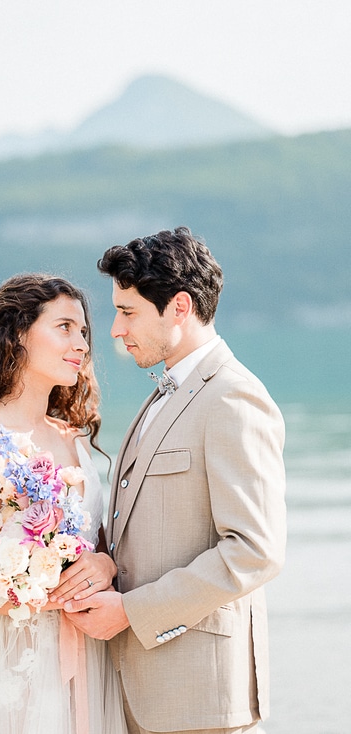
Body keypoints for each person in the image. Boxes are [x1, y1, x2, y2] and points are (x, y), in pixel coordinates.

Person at [62, 228, 286, 734]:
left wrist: (131, 611)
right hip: (140, 688)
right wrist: (103, 561)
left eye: (129, 312)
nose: (116, 330)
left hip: (199, 696)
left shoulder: (233, 398)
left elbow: (255, 550)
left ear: (179, 307)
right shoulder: (166, 390)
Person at [0, 274, 128, 733]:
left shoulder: (72, 438)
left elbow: (101, 548)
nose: (81, 344)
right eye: (64, 327)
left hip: (96, 657)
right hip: (20, 667)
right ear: (19, 334)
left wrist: (104, 566)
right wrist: (40, 587)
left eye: (83, 332)